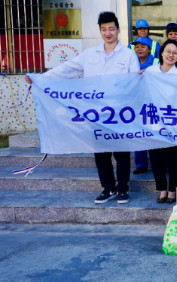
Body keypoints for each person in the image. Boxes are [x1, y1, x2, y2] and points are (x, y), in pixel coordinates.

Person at [24, 11, 140, 204]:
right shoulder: (90, 54)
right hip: (95, 113)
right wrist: (41, 78)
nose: (108, 32)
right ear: (100, 31)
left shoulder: (128, 55)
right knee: (101, 153)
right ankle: (108, 188)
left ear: (118, 30)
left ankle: (122, 189)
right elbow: (67, 69)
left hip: (118, 114)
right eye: (103, 29)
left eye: (111, 28)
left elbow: (135, 83)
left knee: (121, 153)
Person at [141, 39, 177, 203]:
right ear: (161, 53)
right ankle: (162, 190)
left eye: (175, 53)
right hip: (154, 123)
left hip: (172, 124)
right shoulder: (150, 71)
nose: (171, 55)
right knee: (156, 159)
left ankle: (172, 191)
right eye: (168, 51)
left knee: (173, 160)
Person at [130, 36, 156, 175]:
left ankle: (158, 162)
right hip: (137, 102)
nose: (139, 49)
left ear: (150, 49)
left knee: (154, 132)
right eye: (137, 46)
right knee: (139, 132)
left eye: (143, 46)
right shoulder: (131, 62)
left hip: (153, 102)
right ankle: (140, 163)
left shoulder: (156, 62)